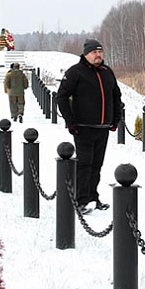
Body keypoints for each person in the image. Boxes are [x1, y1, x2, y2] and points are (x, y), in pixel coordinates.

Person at [57, 39, 123, 215]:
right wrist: (70, 121)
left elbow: (116, 95)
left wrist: (116, 118)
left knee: (97, 165)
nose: (98, 55)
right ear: (86, 54)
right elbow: (61, 97)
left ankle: (93, 196)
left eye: (100, 52)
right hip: (83, 127)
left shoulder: (107, 72)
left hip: (103, 127)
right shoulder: (75, 72)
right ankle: (80, 200)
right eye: (94, 52)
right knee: (84, 165)